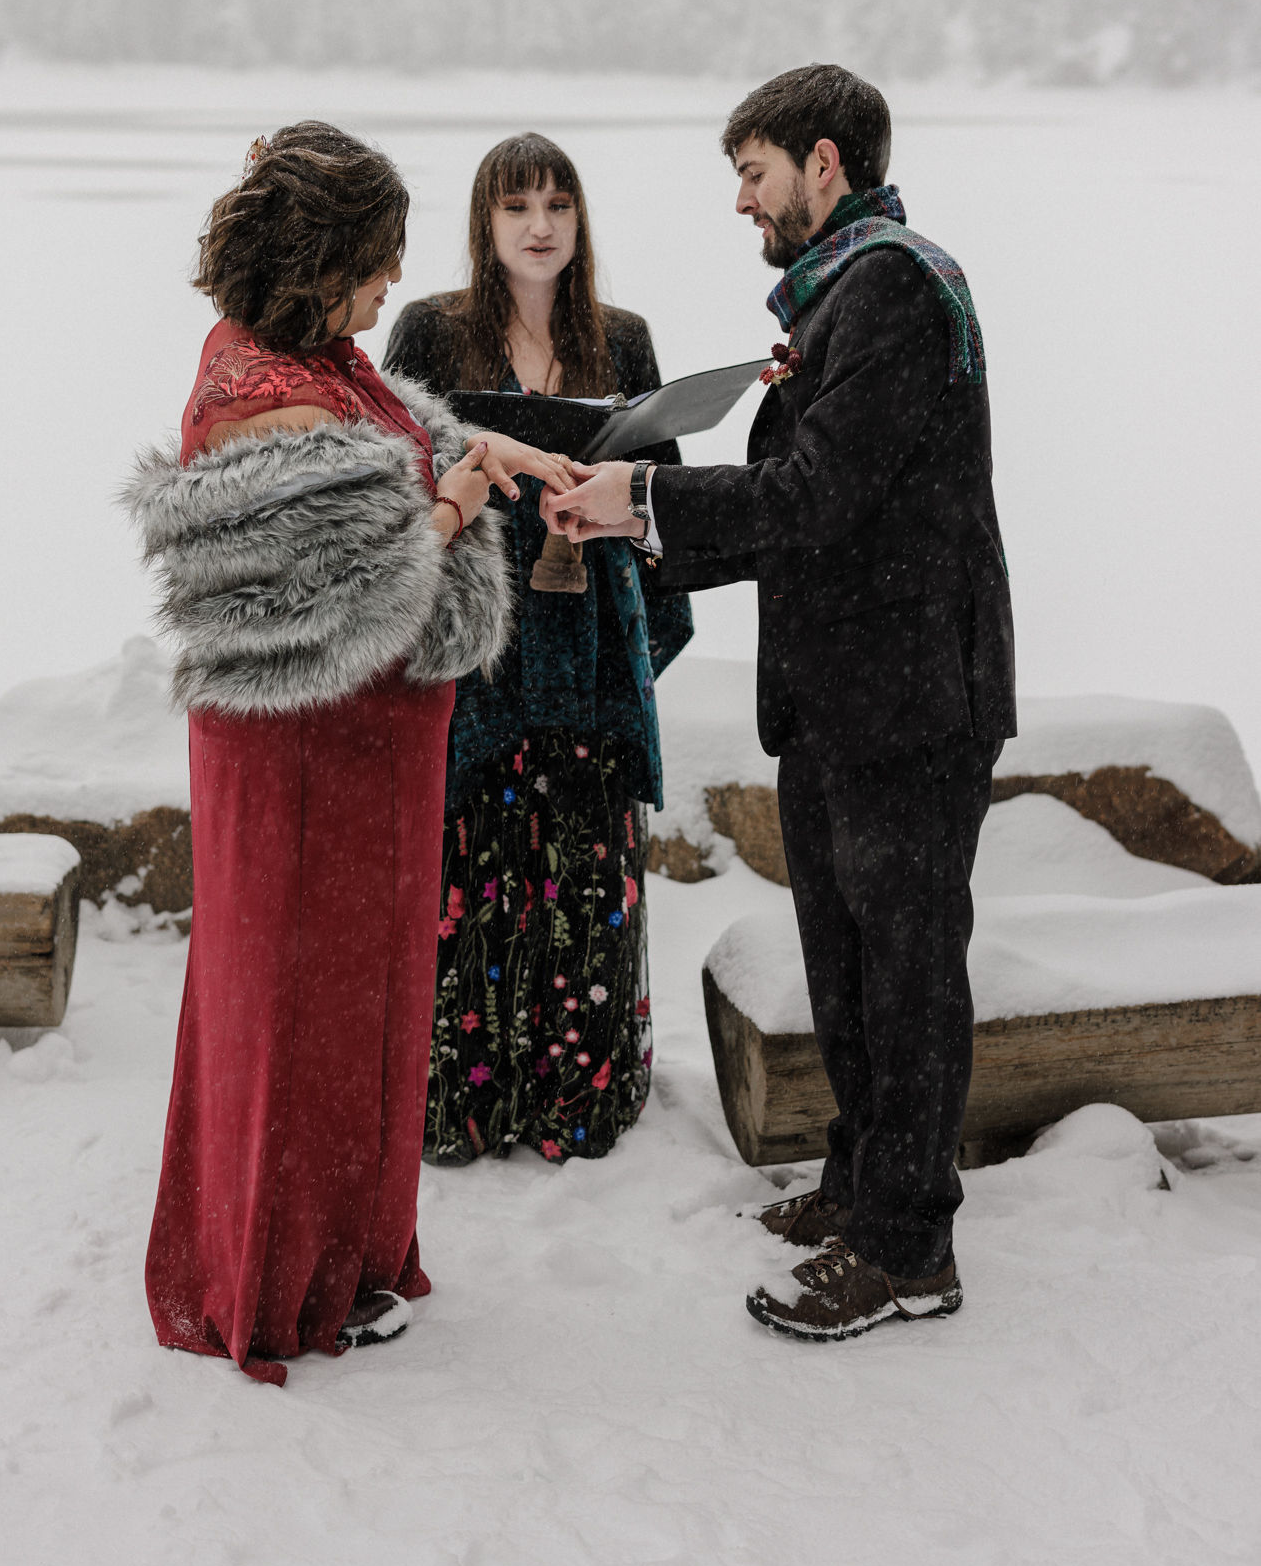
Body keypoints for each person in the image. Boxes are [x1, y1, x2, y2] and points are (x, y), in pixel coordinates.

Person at [542, 66, 1015, 1339]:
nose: (741, 203)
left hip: (912, 703)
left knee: (908, 977)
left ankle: (910, 1246)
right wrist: (645, 505)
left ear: (822, 160)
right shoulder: (840, 294)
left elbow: (814, 495)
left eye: (751, 175)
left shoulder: (898, 286)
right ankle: (860, 1182)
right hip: (842, 697)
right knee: (848, 964)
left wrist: (634, 503)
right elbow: (805, 498)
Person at [123, 122, 572, 1384]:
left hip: (363, 754)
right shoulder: (271, 399)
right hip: (306, 763)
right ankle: (280, 1282)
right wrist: (454, 503)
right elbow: (359, 585)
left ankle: (349, 1249)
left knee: (359, 1008)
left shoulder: (305, 356)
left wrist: (486, 454)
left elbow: (396, 451)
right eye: (378, 261)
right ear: (322, 258)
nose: (390, 287)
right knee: (296, 1017)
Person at [384, 132, 693, 1164]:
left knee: (581, 869)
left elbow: (663, 505)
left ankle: (575, 1091)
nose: (539, 224)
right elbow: (391, 469)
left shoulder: (624, 337)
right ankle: (468, 1098)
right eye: (517, 204)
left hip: (587, 646)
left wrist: (612, 516)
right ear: (484, 220)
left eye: (558, 202)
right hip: (482, 645)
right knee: (468, 866)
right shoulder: (430, 331)